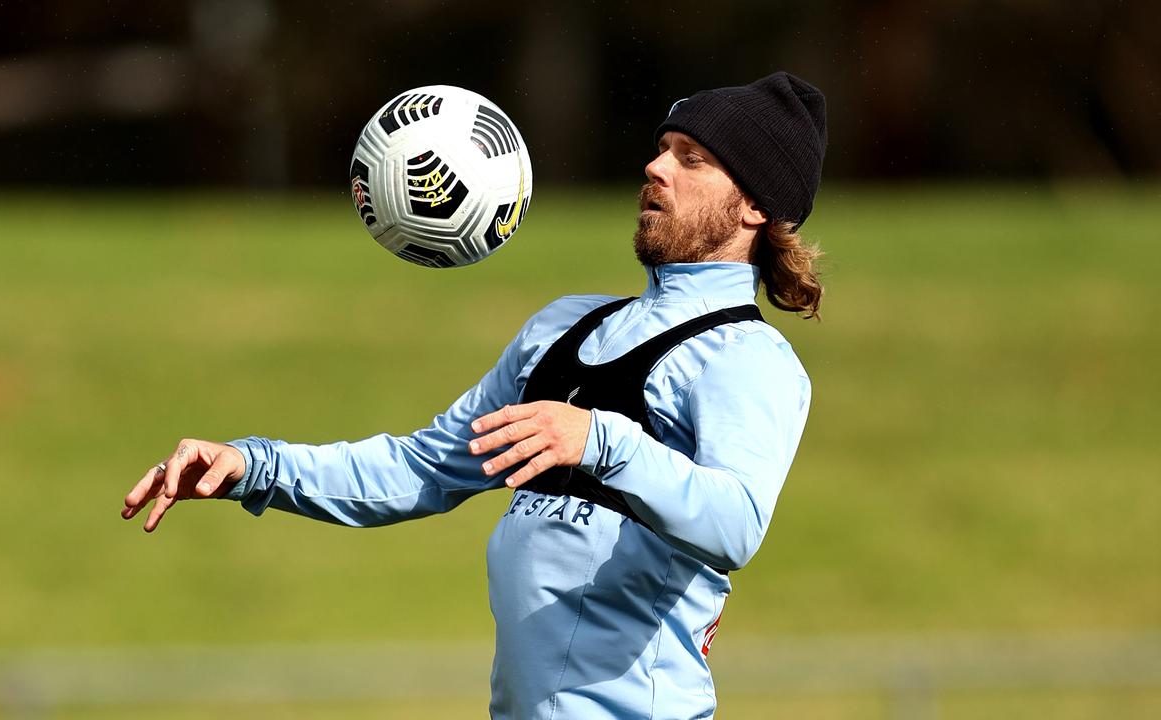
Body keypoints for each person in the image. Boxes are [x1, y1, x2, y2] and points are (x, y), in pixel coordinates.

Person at [122, 71, 827, 719]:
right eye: (663, 147)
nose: (655, 166)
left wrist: (600, 441)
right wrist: (256, 467)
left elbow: (735, 525)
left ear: (756, 205)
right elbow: (419, 469)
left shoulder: (747, 357)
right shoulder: (562, 327)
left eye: (691, 158)